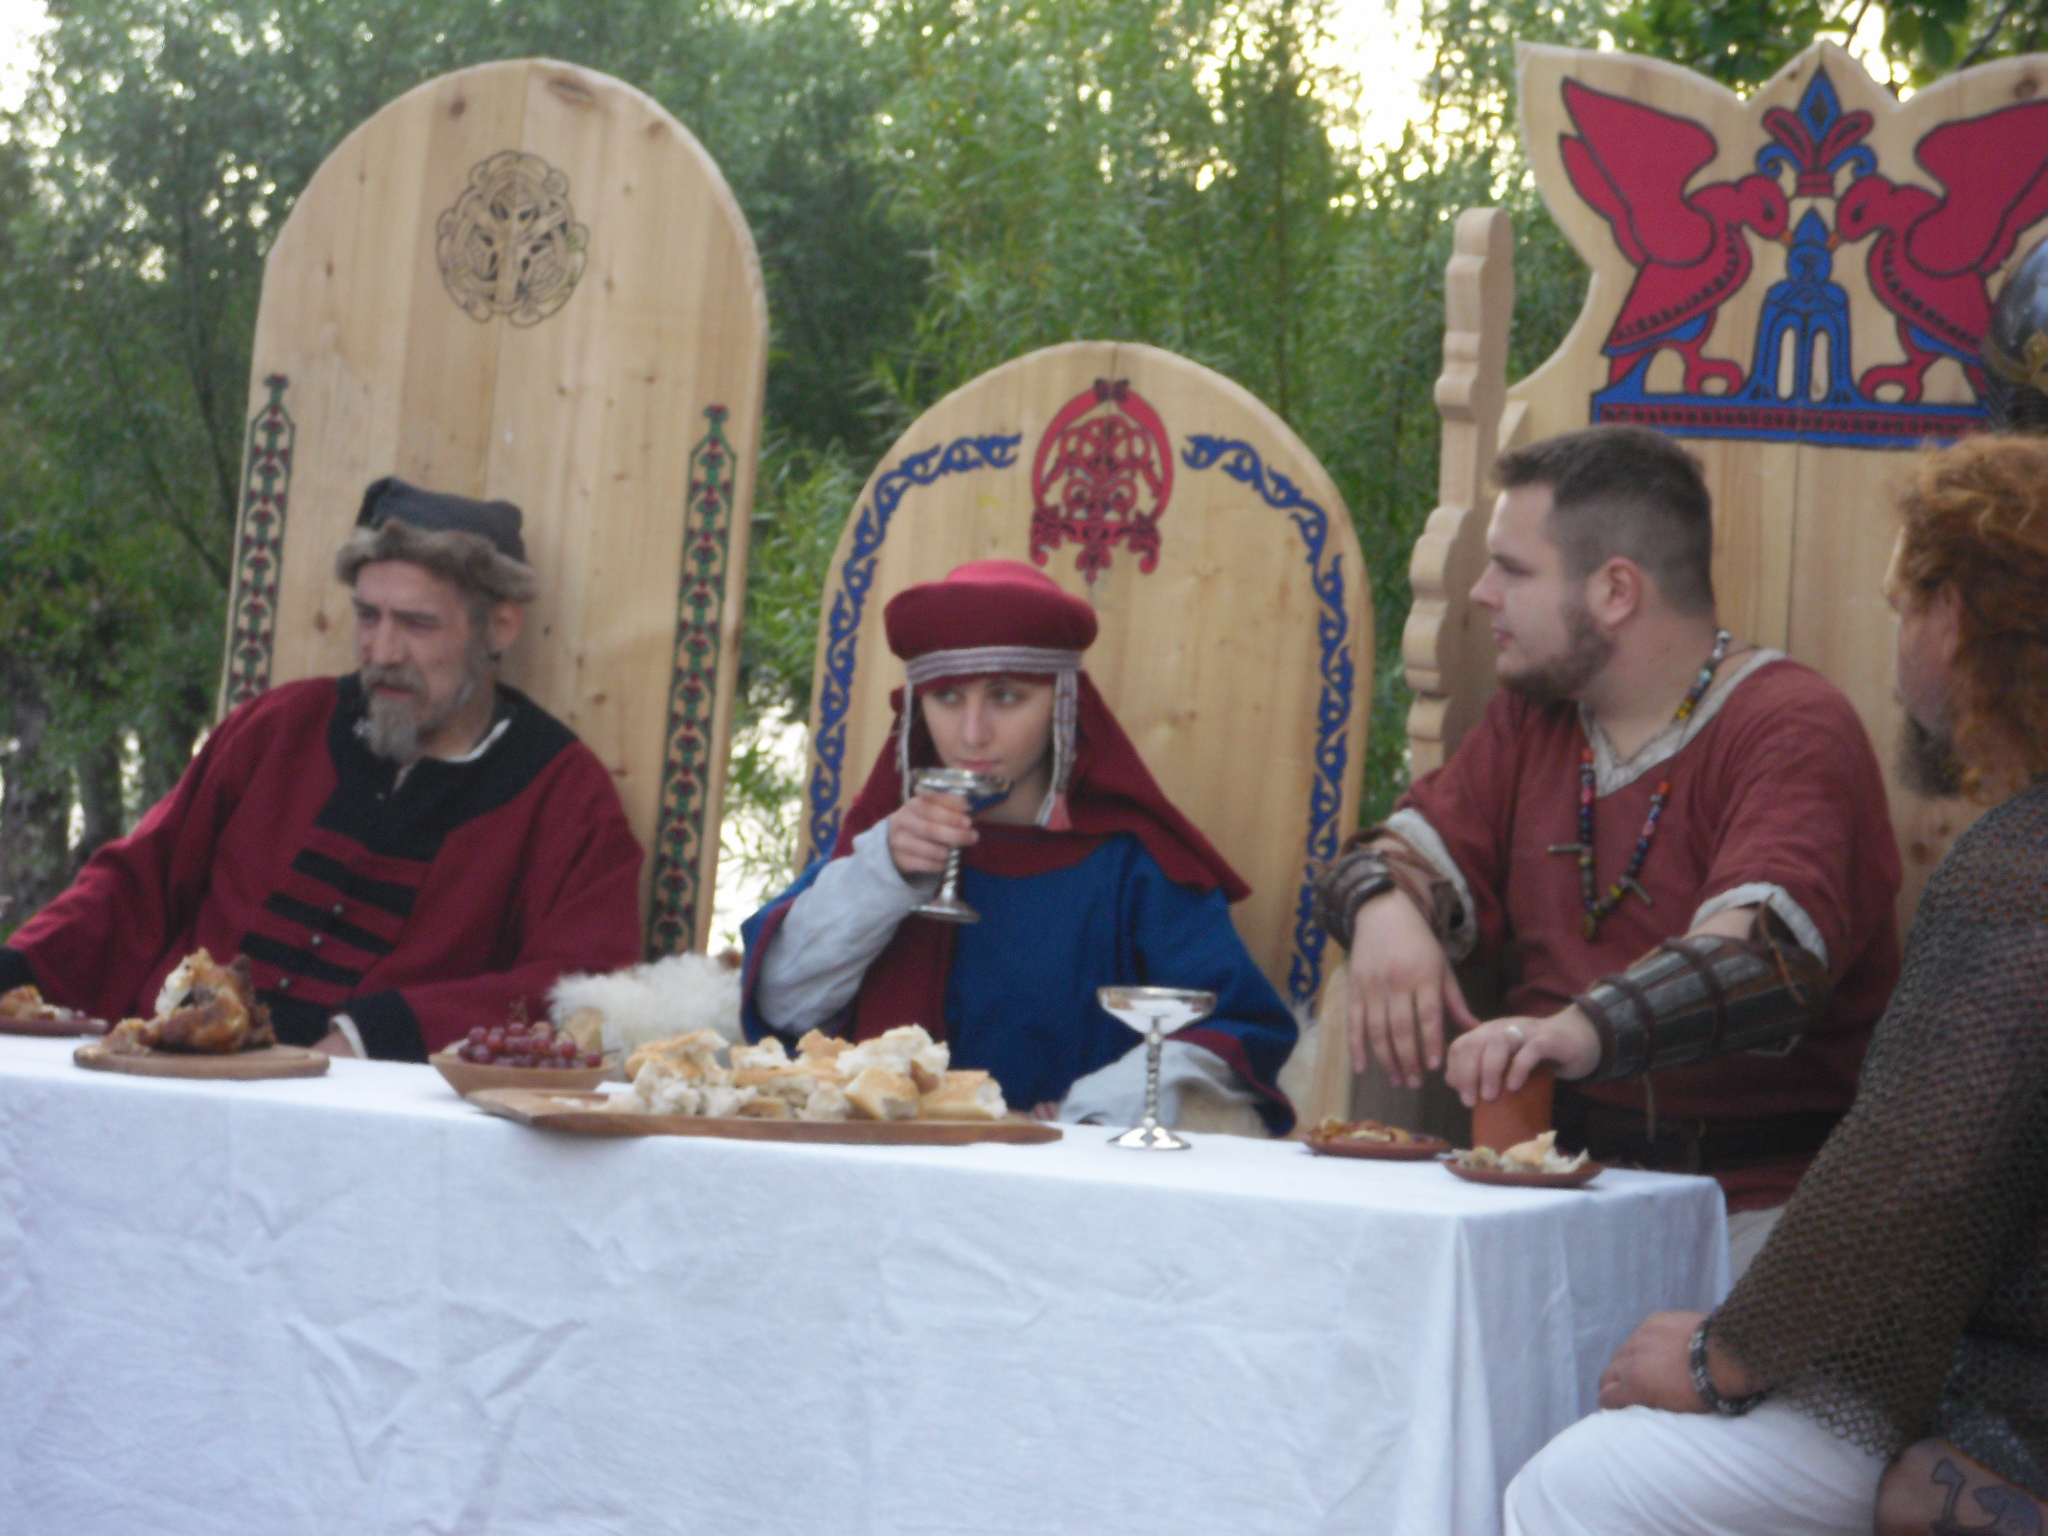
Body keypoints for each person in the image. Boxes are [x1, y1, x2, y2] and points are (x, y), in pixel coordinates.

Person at [1502, 432, 2048, 1536]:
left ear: (1954, 619)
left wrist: (1727, 1355)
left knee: (1580, 1481)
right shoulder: (1535, 728)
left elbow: (1918, 1169)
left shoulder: (2018, 867)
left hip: (2000, 1387)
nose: (1897, 642)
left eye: (1902, 607)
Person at [1313, 424, 1900, 1272]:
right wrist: (1381, 905)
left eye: (1512, 569)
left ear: (1617, 590)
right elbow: (1395, 855)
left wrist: (1582, 1031)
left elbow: (1761, 964)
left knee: (1689, 1356)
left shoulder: (1793, 727)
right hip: (1550, 1187)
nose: (1481, 593)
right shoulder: (1535, 718)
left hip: (1756, 1205)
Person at [0, 478, 643, 1060]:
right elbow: (138, 881)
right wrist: (19, 970)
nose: (383, 650)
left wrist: (381, 1033)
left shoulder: (563, 793)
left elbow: (584, 988)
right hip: (177, 1072)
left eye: (417, 623)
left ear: (500, 626)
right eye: (368, 616)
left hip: (377, 1124)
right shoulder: (280, 726)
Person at [740, 560, 1297, 1132]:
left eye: (1006, 697)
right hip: (881, 1162)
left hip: (1070, 1172)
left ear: (1063, 703)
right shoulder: (891, 844)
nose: (972, 733)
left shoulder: (1134, 868)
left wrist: (1086, 1116)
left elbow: (1236, 1030)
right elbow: (784, 1006)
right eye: (946, 696)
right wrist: (883, 877)